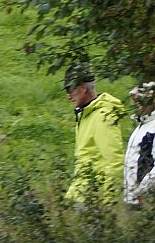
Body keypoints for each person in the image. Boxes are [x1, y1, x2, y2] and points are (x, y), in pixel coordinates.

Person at [65, 67, 127, 202]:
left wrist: (108, 203)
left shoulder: (102, 115)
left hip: (94, 200)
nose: (68, 96)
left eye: (70, 90)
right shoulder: (86, 113)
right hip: (82, 194)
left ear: (82, 88)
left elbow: (115, 161)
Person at [125, 82, 155, 206]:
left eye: (141, 92)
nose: (133, 96)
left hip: (146, 203)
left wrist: (140, 191)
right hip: (133, 201)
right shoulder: (141, 127)